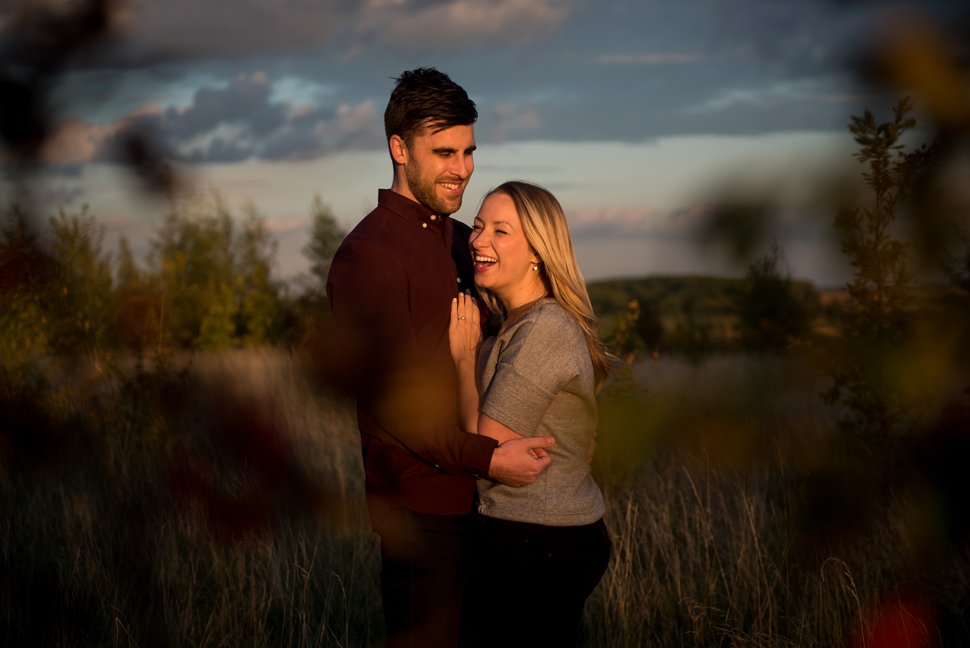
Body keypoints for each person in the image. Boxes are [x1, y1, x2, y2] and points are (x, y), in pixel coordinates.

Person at [326, 69, 556, 648]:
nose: (462, 168)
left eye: (469, 151)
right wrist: (490, 459)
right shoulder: (369, 256)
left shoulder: (463, 241)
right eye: (445, 152)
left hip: (488, 504)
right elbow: (399, 411)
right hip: (419, 514)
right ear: (399, 149)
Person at [448, 181, 613, 647]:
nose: (478, 240)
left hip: (540, 542)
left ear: (538, 252)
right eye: (478, 227)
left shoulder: (543, 329)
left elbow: (487, 446)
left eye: (501, 231)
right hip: (528, 536)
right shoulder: (516, 321)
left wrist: (463, 358)